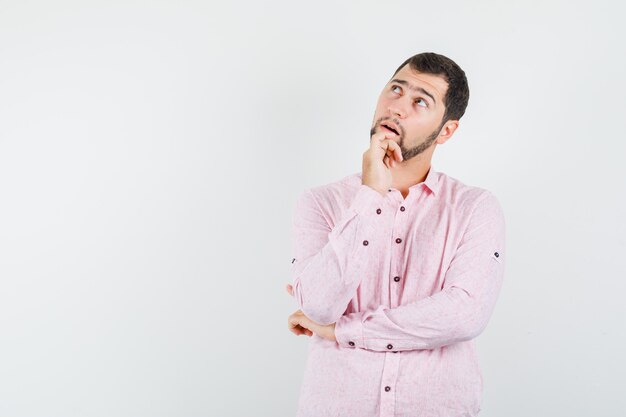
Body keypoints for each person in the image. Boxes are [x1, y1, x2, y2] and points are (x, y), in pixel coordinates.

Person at [285, 52, 506, 417]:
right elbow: (319, 305)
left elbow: (463, 314)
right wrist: (371, 194)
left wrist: (341, 330)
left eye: (420, 101)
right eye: (395, 90)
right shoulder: (320, 202)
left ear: (446, 130)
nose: (397, 108)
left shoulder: (474, 208)